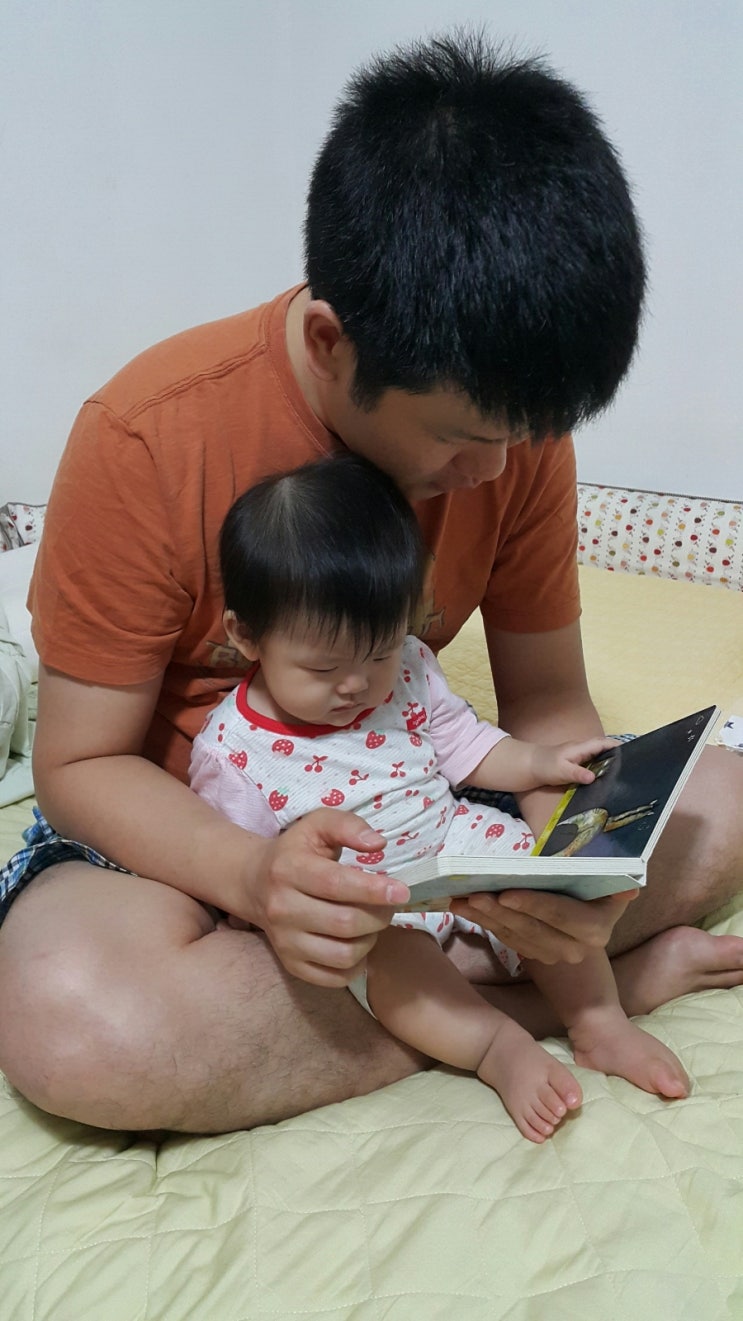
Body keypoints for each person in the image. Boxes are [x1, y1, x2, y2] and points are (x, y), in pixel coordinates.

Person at [0, 33, 741, 1134]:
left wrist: (573, 874)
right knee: (77, 1022)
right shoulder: (144, 439)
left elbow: (547, 709)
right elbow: (78, 764)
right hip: (194, 840)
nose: (492, 471)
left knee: (720, 802)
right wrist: (256, 879)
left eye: (519, 438)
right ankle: (537, 1003)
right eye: (459, 439)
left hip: (417, 812)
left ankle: (479, 985)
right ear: (328, 341)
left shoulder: (513, 434)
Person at [190, 453, 689, 1143]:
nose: (356, 686)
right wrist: (286, 907)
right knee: (385, 960)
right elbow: (248, 875)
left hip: (451, 838)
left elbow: (468, 745)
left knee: (543, 881)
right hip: (369, 900)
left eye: (378, 652)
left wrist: (540, 760)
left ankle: (599, 1020)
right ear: (246, 635)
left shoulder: (407, 670)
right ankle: (496, 1048)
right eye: (323, 667)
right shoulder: (231, 752)